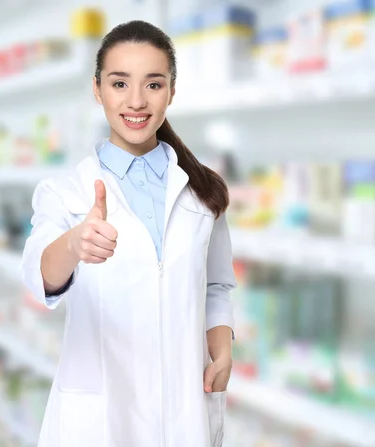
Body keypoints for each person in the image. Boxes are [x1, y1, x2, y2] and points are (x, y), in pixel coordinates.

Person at [21, 19, 236, 447]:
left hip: (184, 414)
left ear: (171, 91)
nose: (136, 101)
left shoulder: (202, 190)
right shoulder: (66, 192)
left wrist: (223, 347)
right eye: (120, 84)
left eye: (153, 85)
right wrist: (74, 243)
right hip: (101, 421)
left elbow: (216, 285)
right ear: (97, 89)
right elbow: (39, 275)